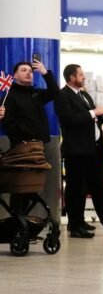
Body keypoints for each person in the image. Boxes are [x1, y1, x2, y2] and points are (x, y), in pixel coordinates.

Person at [54, 64, 103, 238]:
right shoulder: (63, 96)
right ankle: (75, 224)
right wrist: (94, 112)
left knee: (97, 187)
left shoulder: (84, 94)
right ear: (71, 77)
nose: (83, 77)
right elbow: (69, 120)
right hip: (76, 150)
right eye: (80, 74)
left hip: (93, 148)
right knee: (76, 189)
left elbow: (92, 119)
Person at [1, 59, 59, 216]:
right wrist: (20, 141)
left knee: (31, 188)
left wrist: (45, 73)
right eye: (23, 70)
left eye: (30, 71)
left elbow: (55, 92)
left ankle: (25, 226)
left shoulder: (36, 93)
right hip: (21, 149)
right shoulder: (10, 96)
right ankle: (18, 227)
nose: (28, 73)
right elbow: (8, 123)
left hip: (39, 148)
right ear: (14, 75)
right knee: (20, 188)